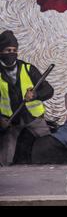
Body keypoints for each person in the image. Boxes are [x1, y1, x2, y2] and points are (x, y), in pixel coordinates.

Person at [0, 30, 54, 166]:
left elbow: (49, 90)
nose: (12, 53)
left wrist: (35, 95)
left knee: (50, 146)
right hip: (11, 122)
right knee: (4, 160)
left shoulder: (28, 69)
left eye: (14, 50)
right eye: (7, 50)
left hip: (34, 119)